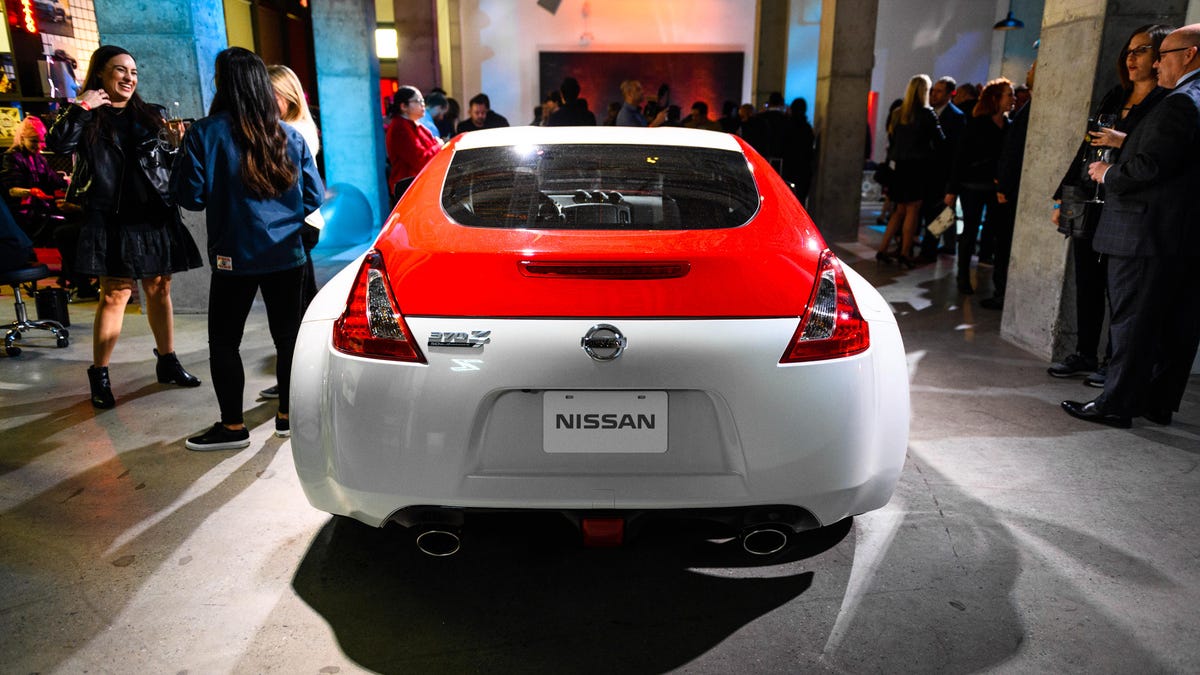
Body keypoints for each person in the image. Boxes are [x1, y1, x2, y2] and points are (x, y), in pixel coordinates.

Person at [171, 47, 324, 450]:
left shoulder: (205, 133)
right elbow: (313, 196)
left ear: (222, 84)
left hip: (233, 255)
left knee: (225, 342)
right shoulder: (289, 135)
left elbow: (190, 198)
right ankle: (287, 418)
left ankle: (233, 427)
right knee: (288, 339)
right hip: (287, 254)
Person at [46, 45, 204, 409]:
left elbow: (167, 165)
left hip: (154, 213)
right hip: (112, 218)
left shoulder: (152, 115)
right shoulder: (87, 116)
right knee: (115, 294)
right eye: (120, 70)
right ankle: (99, 374)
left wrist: (177, 147)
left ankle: (167, 361)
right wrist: (81, 106)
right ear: (100, 73)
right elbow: (58, 144)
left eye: (133, 72)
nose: (129, 78)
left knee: (160, 288)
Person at [1064, 23, 1200, 429]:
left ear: (1190, 54)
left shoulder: (1181, 101)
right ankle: (1156, 403)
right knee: (1172, 326)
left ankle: (1116, 404)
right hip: (1178, 233)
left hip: (1145, 231)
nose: (1157, 64)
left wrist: (1108, 172)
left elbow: (1151, 167)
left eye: (1163, 54)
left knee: (1132, 324)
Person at [1048, 25, 1171, 383]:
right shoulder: (1116, 95)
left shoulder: (1165, 102)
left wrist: (1123, 140)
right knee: (1086, 281)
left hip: (1126, 203)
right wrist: (1064, 195)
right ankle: (1085, 352)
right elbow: (1086, 147)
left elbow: (1156, 156)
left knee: (1119, 289)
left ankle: (1111, 362)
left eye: (1141, 50)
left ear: (1160, 56)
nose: (1131, 58)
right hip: (1091, 199)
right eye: (1129, 51)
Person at [261, 63, 323, 401]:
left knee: (297, 307)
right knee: (302, 302)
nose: (263, 101)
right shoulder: (293, 127)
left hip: (298, 224)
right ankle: (299, 376)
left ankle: (298, 380)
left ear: (287, 96)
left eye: (270, 95)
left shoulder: (293, 131)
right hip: (300, 223)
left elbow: (302, 190)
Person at [1, 116, 89, 295]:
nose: (39, 146)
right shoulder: (11, 158)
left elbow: (53, 180)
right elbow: (10, 190)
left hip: (40, 208)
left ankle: (73, 276)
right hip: (24, 213)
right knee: (66, 230)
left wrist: (68, 182)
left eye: (41, 141)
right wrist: (31, 192)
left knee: (74, 222)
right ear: (22, 138)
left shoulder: (38, 159)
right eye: (34, 141)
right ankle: (77, 279)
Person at [943, 78, 1012, 293]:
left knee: (994, 233)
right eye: (1009, 95)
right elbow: (960, 158)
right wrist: (952, 190)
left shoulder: (1009, 125)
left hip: (996, 190)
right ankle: (963, 276)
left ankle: (990, 274)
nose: (1013, 99)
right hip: (972, 186)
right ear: (996, 98)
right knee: (970, 232)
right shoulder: (976, 123)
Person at [877, 74, 943, 267]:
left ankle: (882, 249)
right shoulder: (927, 114)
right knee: (912, 211)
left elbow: (893, 141)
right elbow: (940, 141)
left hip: (899, 168)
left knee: (898, 211)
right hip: (917, 168)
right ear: (925, 91)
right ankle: (905, 252)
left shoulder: (898, 113)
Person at [917, 76, 966, 261]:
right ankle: (930, 247)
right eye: (933, 91)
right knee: (930, 212)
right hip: (928, 173)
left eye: (939, 91)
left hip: (944, 174)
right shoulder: (928, 113)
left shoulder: (956, 116)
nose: (934, 95)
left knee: (941, 214)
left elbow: (956, 151)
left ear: (949, 94)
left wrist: (952, 182)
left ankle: (930, 250)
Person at [385, 85, 441, 201]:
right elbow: (421, 160)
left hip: (421, 185)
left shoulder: (415, 124)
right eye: (418, 101)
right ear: (403, 106)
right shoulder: (400, 128)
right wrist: (439, 145)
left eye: (423, 101)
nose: (423, 104)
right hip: (408, 188)